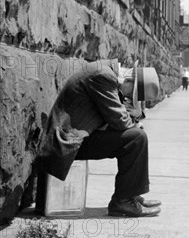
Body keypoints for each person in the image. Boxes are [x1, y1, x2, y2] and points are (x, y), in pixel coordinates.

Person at [38, 59, 161, 217]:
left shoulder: (107, 73)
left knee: (136, 137)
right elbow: (120, 121)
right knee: (136, 138)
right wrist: (135, 119)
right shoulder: (103, 76)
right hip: (66, 142)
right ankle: (123, 201)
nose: (128, 98)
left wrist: (136, 116)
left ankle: (130, 195)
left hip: (80, 135)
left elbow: (119, 117)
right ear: (129, 81)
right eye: (131, 94)